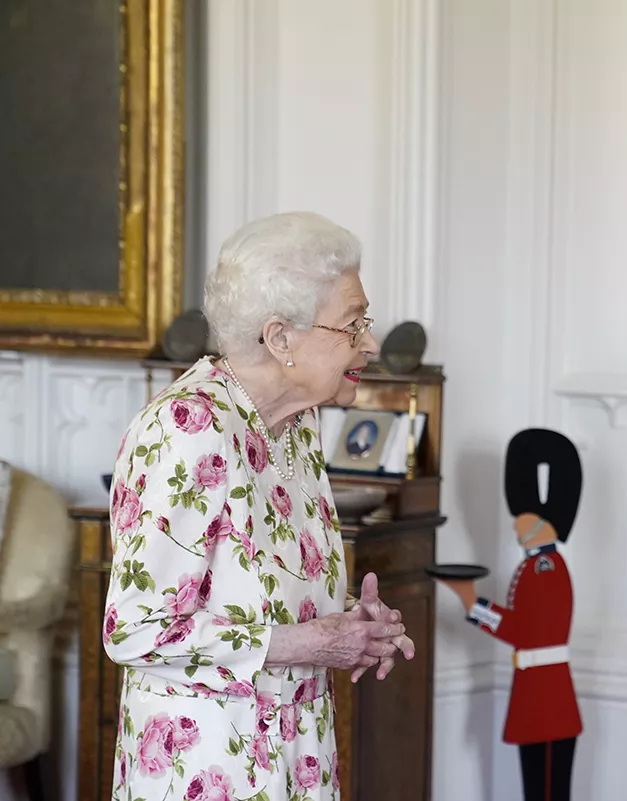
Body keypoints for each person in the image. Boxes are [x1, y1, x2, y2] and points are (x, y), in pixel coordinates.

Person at [103, 211, 415, 800]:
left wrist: (352, 624)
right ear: (279, 338)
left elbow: (255, 583)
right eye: (353, 325)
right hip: (207, 765)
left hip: (295, 757)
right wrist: (309, 644)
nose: (370, 344)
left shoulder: (296, 425)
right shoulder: (187, 428)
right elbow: (136, 629)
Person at [436, 428, 584, 801]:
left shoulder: (546, 567)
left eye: (524, 517)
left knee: (547, 790)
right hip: (536, 691)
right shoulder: (536, 565)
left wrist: (475, 605)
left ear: (545, 524)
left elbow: (526, 631)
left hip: (547, 696)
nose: (516, 524)